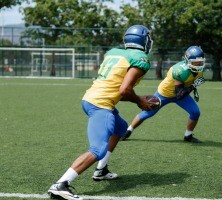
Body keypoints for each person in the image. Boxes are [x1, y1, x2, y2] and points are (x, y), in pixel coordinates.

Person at [48, 25, 154, 200]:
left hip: (91, 98)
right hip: (101, 104)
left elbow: (117, 90)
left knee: (120, 129)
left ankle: (101, 170)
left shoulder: (113, 52)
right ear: (144, 41)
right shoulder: (141, 58)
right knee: (97, 149)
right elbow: (124, 90)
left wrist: (137, 98)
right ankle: (61, 184)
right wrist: (140, 101)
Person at [120, 46, 206, 143]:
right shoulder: (179, 70)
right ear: (187, 61)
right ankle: (128, 131)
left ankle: (188, 135)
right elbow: (180, 95)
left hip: (181, 93)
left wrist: (193, 85)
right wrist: (194, 86)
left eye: (200, 61)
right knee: (148, 113)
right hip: (165, 94)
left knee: (195, 112)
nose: (198, 64)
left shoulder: (199, 70)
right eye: (195, 62)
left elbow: (186, 87)